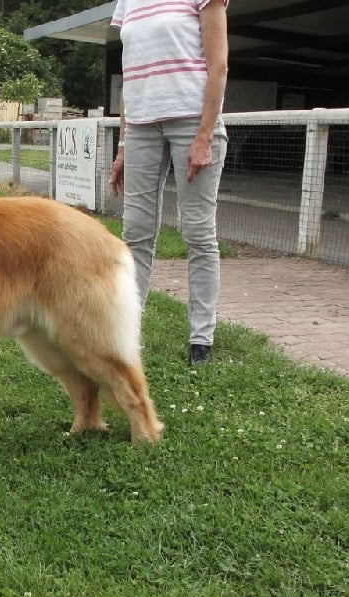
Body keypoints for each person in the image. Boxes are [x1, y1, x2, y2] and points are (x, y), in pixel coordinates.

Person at [109, 0, 229, 365]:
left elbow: (219, 64)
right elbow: (131, 76)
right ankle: (126, 335)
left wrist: (205, 136)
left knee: (197, 233)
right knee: (136, 234)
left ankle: (201, 339)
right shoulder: (127, 2)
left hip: (192, 120)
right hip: (142, 127)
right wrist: (123, 146)